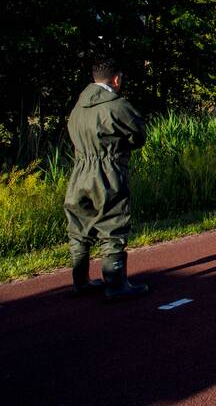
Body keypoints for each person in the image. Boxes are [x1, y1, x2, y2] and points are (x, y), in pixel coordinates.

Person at [64, 58, 148, 300]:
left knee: (79, 226)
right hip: (108, 169)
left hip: (80, 170)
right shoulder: (117, 105)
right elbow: (138, 134)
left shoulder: (78, 107)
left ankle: (80, 281)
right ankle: (116, 282)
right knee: (112, 223)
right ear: (116, 79)